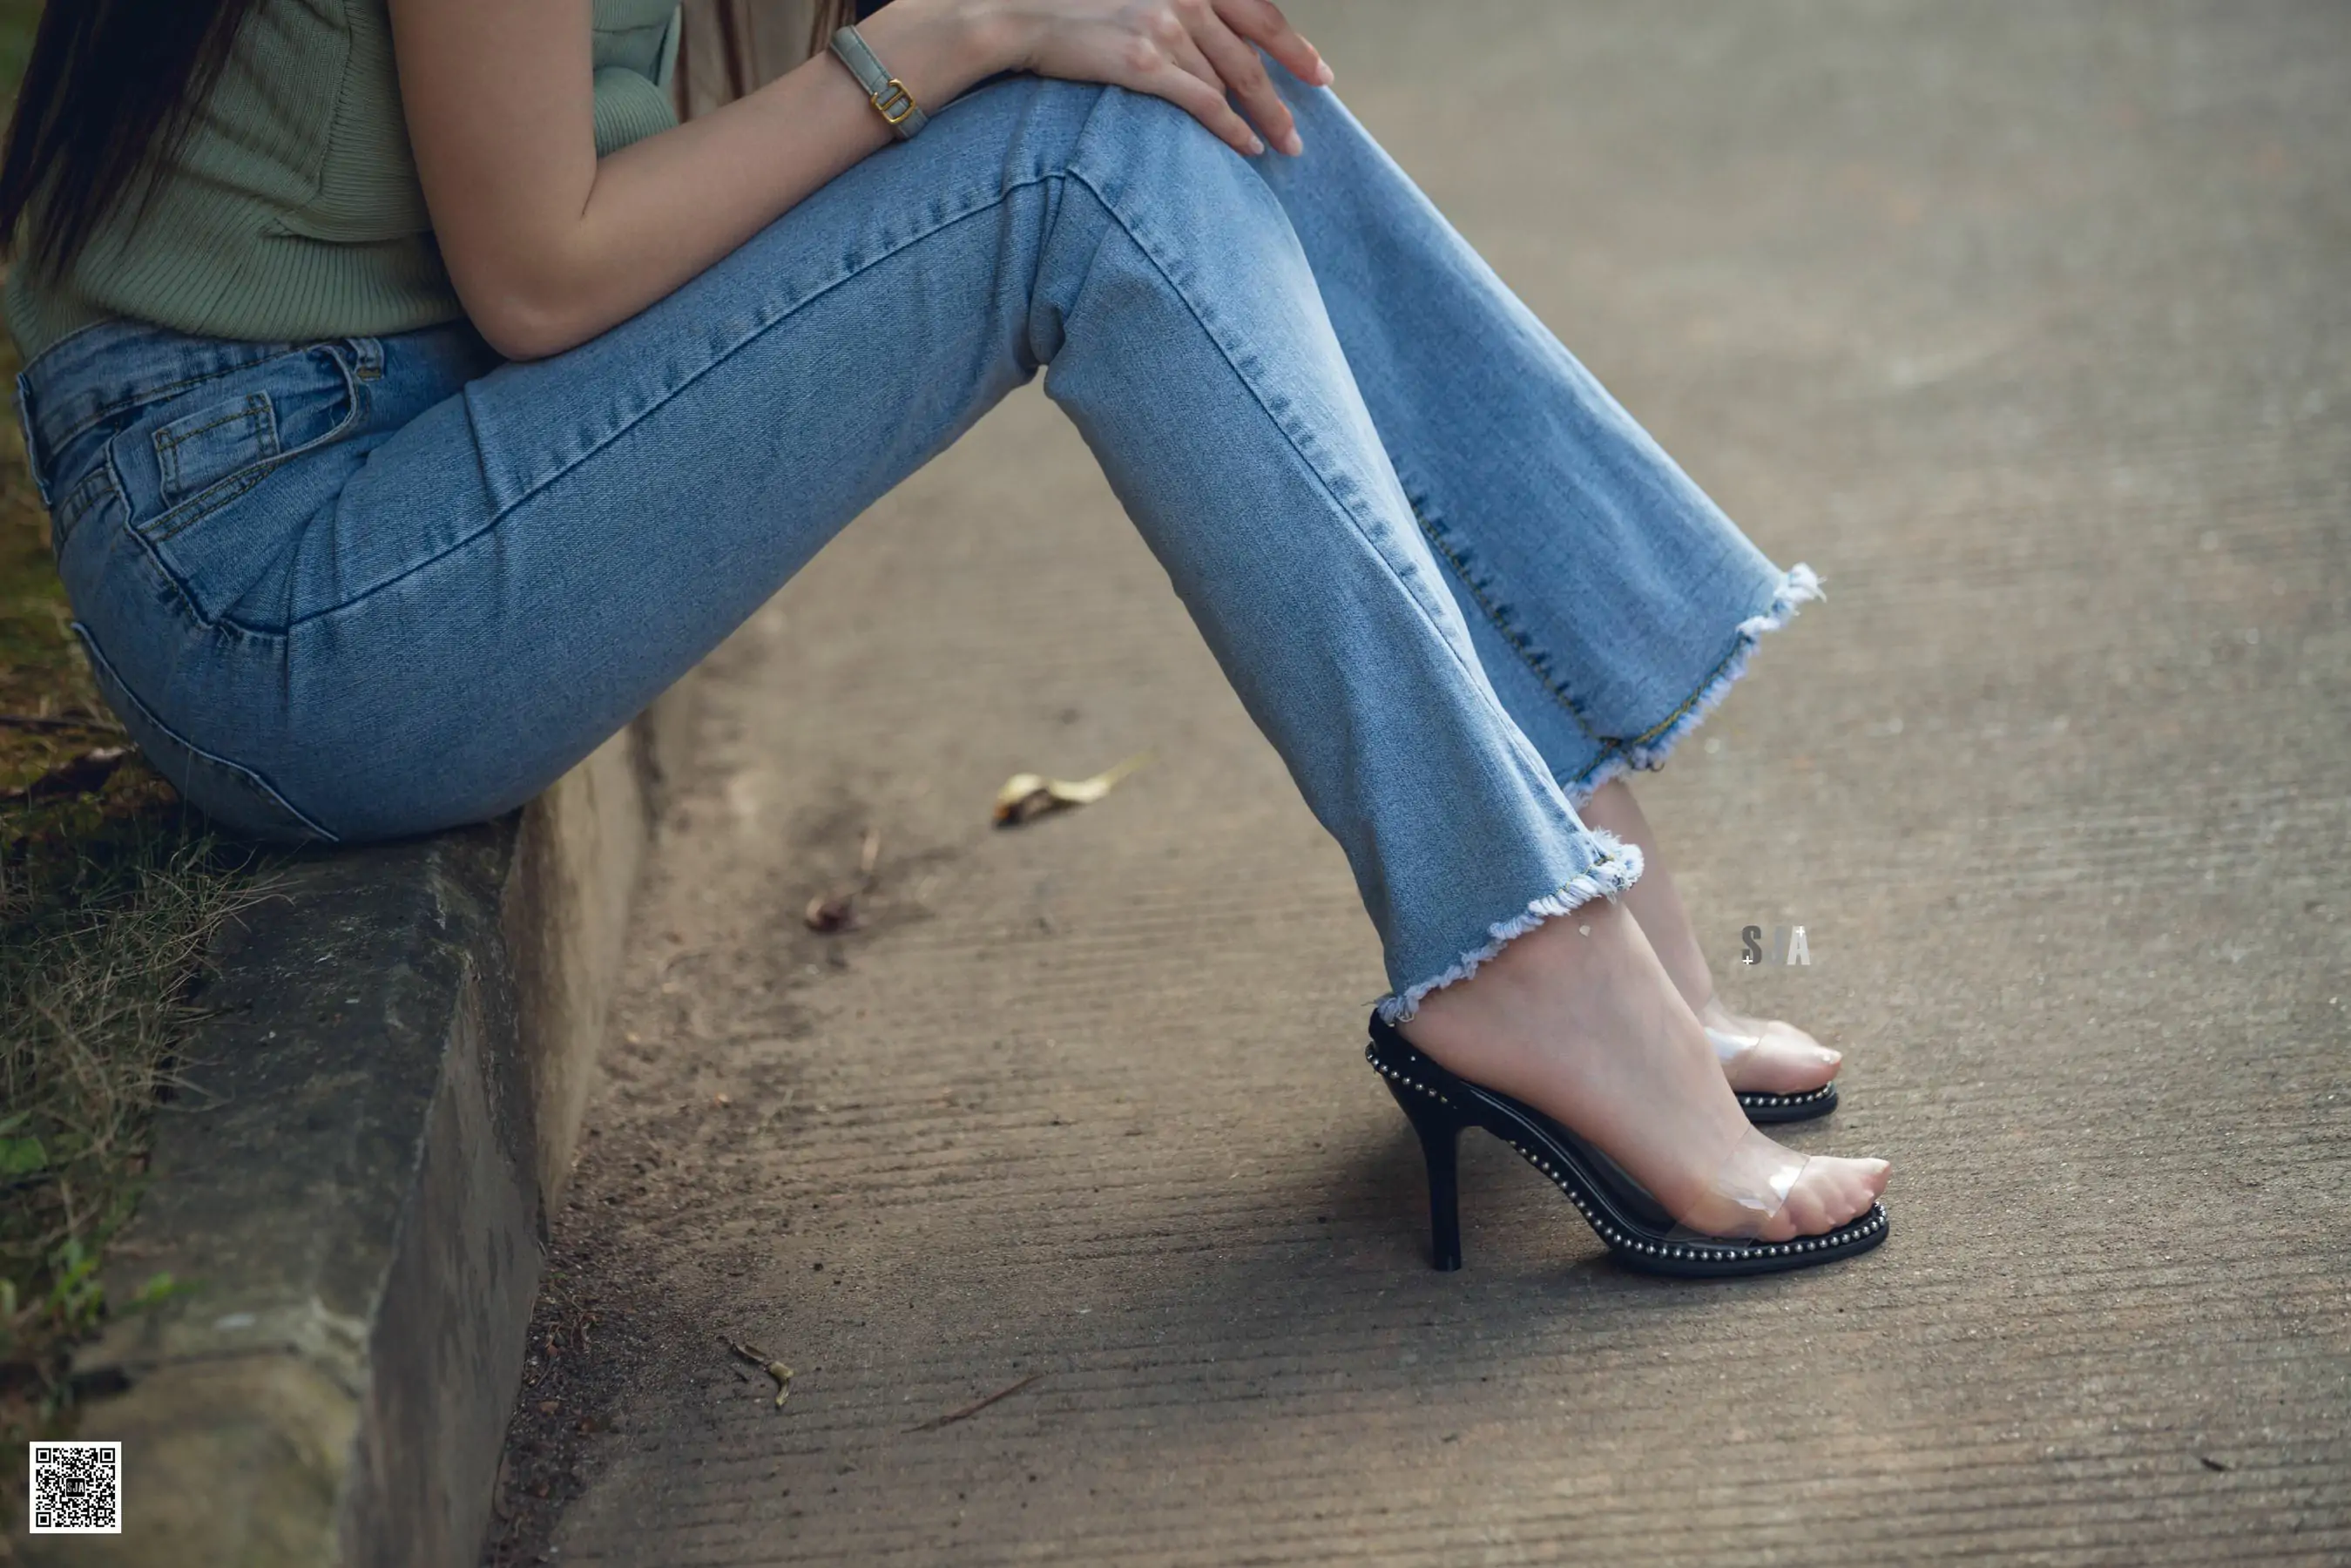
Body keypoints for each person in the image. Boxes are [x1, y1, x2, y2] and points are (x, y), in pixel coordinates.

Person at [2, 0, 1888, 1275]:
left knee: (1180, 64)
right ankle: (1520, 949)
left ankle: (1580, 873)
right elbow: (543, 272)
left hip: (422, 453)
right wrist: (958, 32)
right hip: (286, 572)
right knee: (1083, 148)